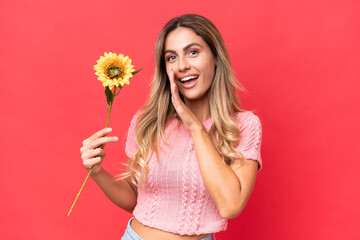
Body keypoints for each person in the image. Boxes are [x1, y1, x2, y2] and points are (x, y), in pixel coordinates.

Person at [80, 14, 262, 240]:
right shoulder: (148, 121)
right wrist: (97, 173)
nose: (183, 65)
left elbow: (230, 205)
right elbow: (137, 199)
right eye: (171, 57)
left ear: (216, 57)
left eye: (193, 52)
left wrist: (195, 128)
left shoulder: (244, 126)